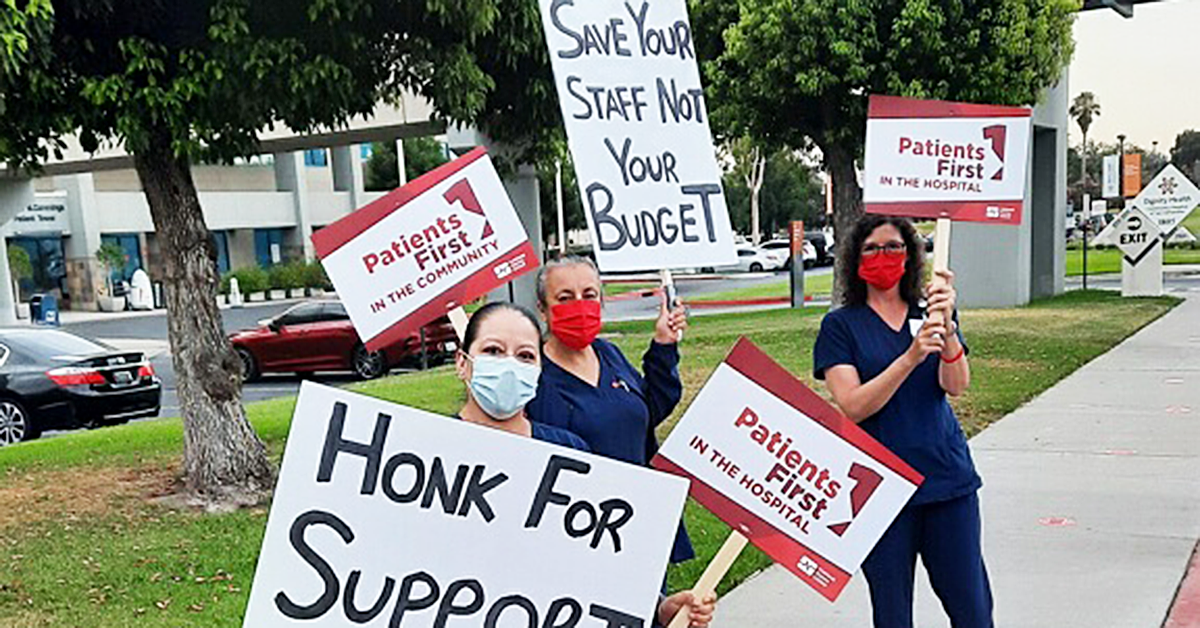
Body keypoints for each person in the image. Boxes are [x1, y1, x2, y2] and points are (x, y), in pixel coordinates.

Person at [454, 301, 715, 628]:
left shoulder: (570, 451)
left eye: (525, 356)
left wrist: (658, 610)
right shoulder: (430, 452)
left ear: (538, 370)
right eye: (493, 350)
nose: (509, 365)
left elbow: (602, 563)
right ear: (462, 363)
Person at [812, 215, 991, 628]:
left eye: (894, 246)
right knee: (892, 615)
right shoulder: (840, 326)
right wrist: (910, 357)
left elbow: (957, 384)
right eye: (872, 248)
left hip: (947, 483)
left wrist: (947, 331)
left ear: (911, 255)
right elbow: (854, 406)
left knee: (973, 609)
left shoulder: (932, 310)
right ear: (855, 260)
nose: (884, 256)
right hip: (881, 492)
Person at [524, 256, 694, 563]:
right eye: (564, 298)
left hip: (637, 518)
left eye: (589, 295)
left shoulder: (609, 354)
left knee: (655, 609)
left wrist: (664, 346)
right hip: (577, 535)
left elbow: (648, 411)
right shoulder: (533, 376)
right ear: (543, 309)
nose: (579, 305)